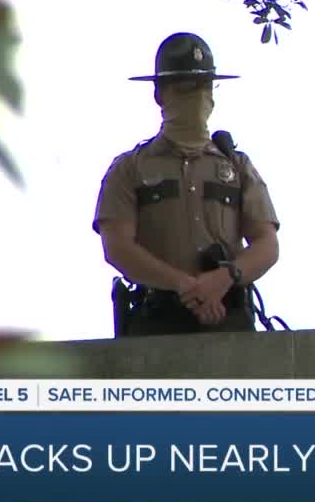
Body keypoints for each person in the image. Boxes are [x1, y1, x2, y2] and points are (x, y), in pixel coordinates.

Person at [93, 32, 280, 335]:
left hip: (229, 317)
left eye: (205, 86)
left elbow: (267, 244)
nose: (197, 96)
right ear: (159, 94)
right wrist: (183, 285)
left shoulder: (237, 166)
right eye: (184, 87)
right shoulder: (129, 169)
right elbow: (117, 247)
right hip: (156, 322)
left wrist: (224, 278)